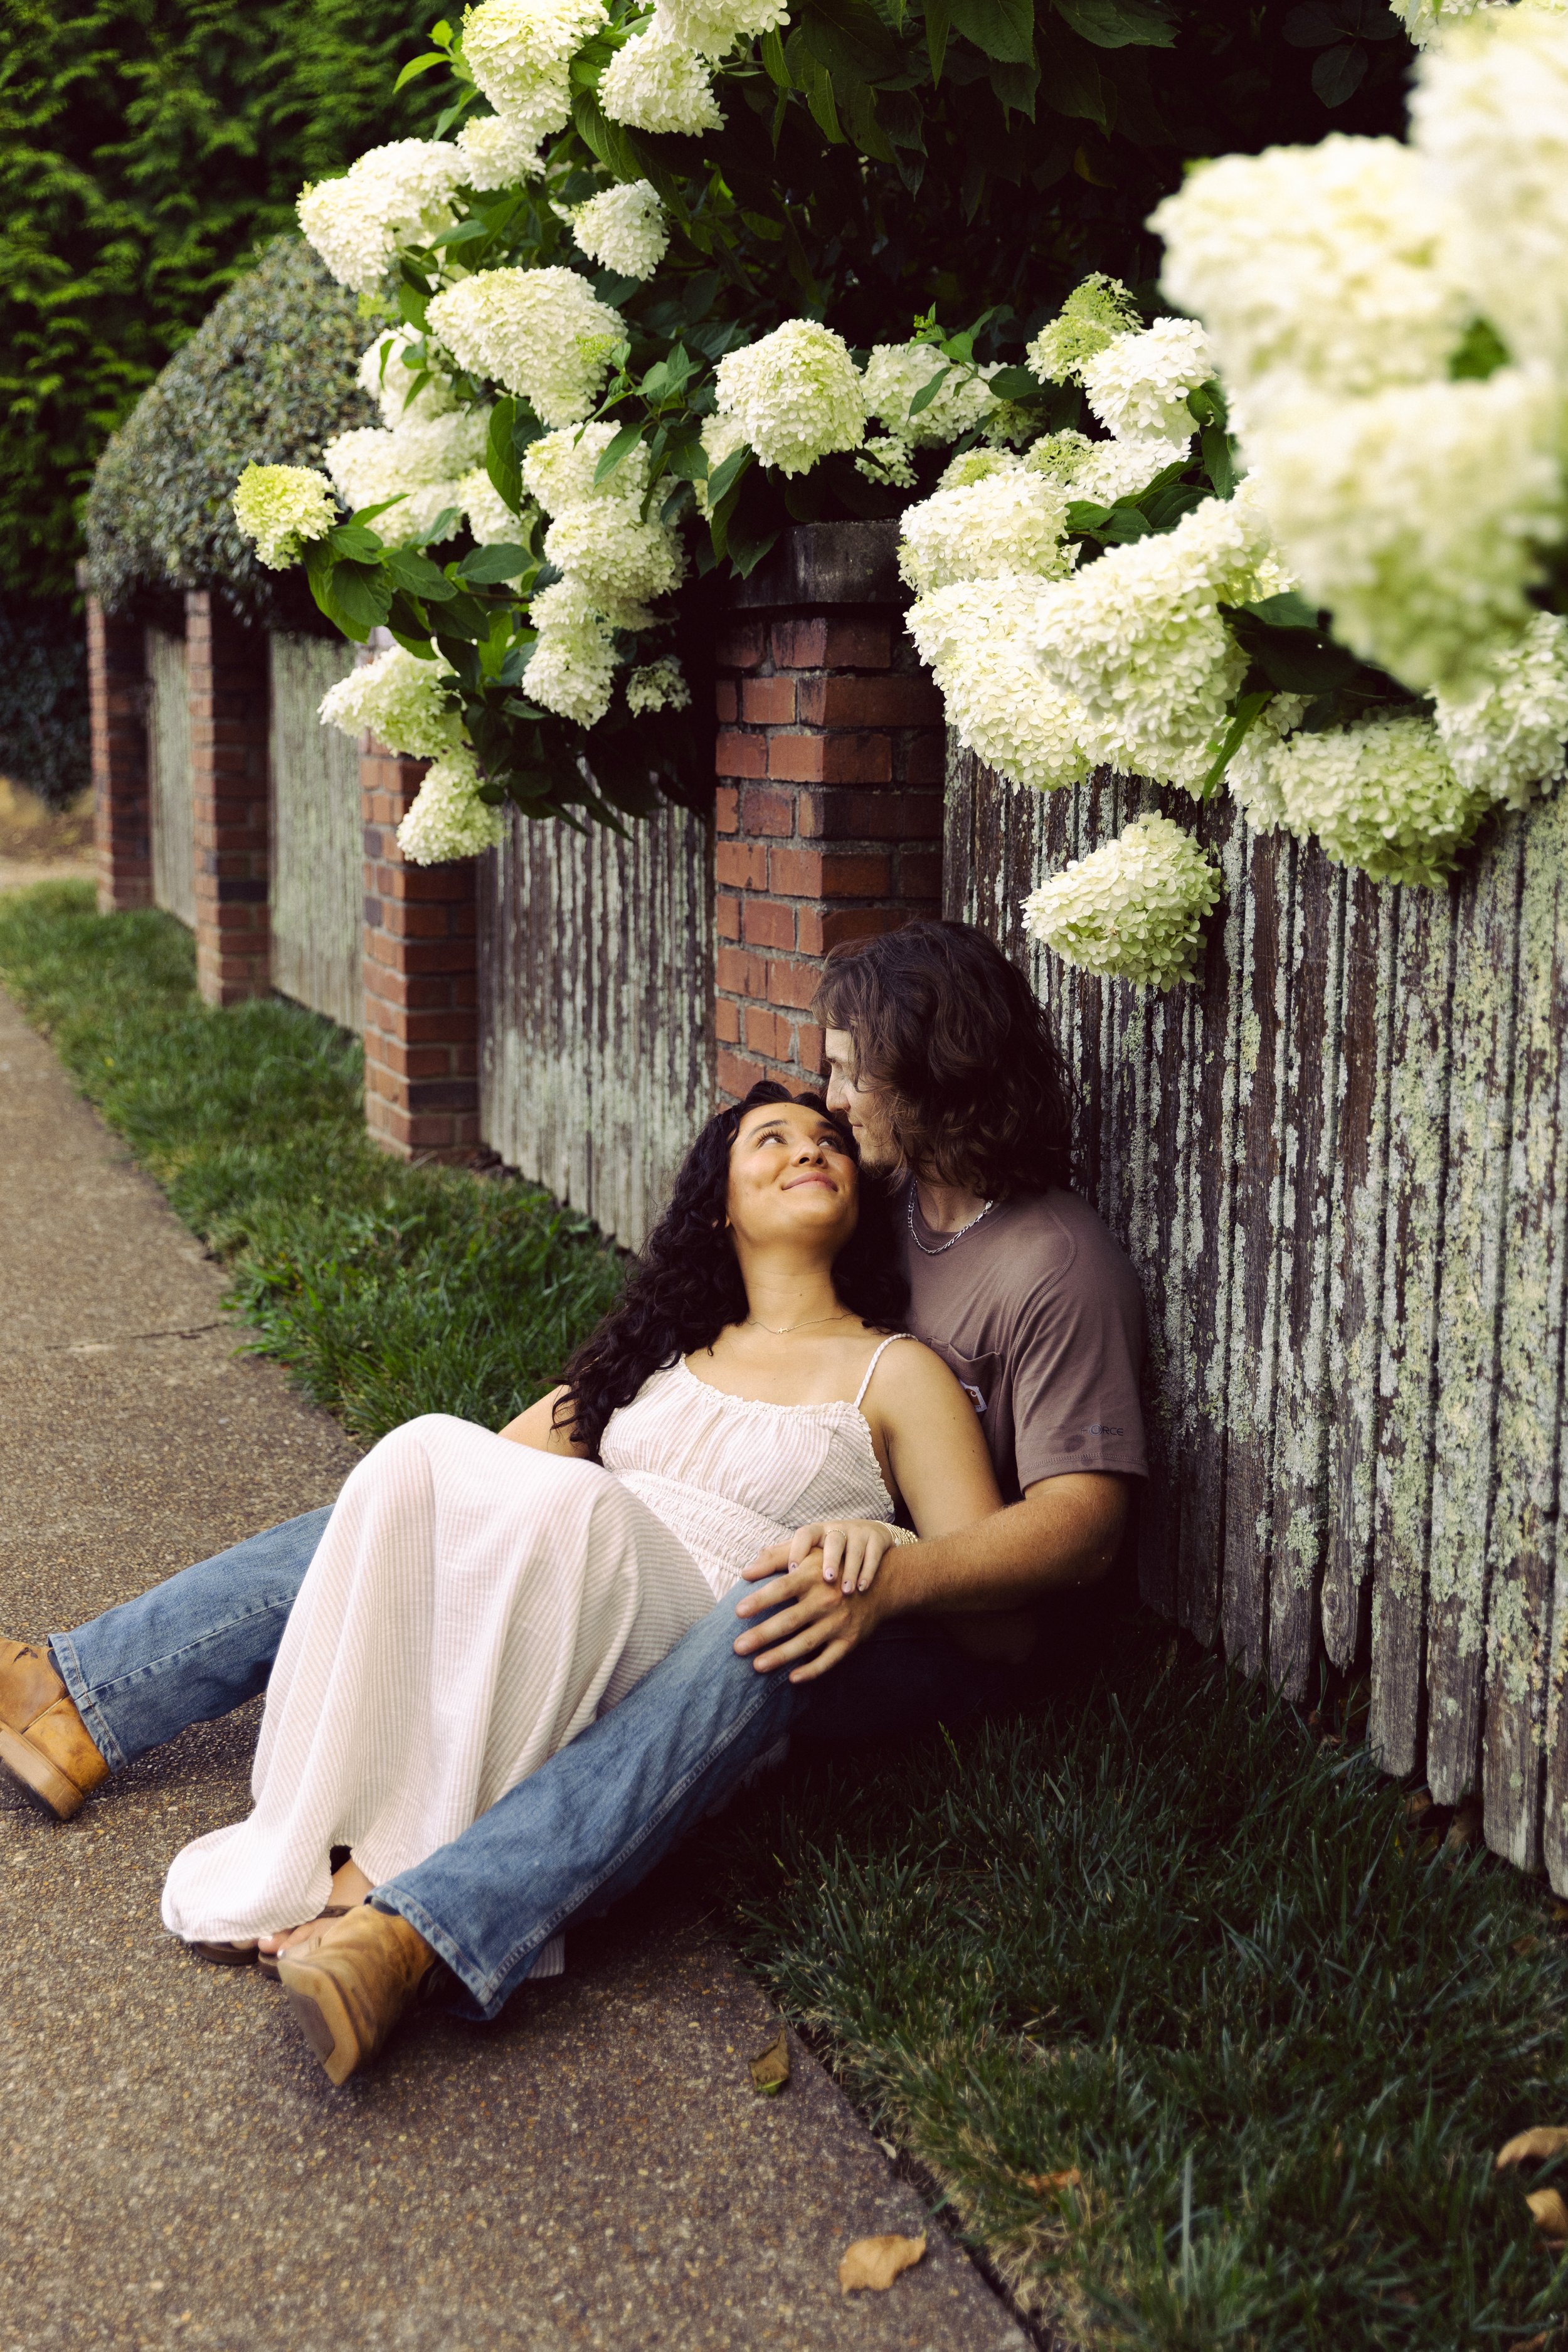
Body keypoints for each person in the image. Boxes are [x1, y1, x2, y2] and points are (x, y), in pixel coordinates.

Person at [0, 919, 1147, 2084]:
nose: (833, 1112)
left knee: (764, 1600)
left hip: (910, 1614)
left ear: (931, 1064)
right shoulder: (888, 1206)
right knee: (428, 1489)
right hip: (700, 1541)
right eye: (801, 1118)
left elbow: (1083, 1528)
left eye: (852, 1075)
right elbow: (746, 1329)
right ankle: (78, 1692)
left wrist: (895, 1566)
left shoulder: (1052, 1262)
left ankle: (419, 1924)